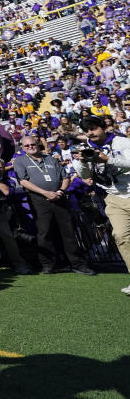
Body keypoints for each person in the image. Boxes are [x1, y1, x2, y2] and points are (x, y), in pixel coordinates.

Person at [12, 136, 94, 275]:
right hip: (38, 199)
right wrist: (45, 193)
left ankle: (77, 264)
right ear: (22, 147)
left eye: (33, 144)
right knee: (44, 233)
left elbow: (66, 178)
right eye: (27, 146)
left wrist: (60, 191)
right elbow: (23, 181)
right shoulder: (20, 161)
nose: (31, 146)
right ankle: (48, 265)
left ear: (38, 144)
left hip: (59, 197)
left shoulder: (50, 158)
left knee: (68, 231)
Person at [72, 115, 130, 294]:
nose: (90, 132)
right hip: (113, 197)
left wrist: (107, 160)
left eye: (94, 128)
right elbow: (85, 175)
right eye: (86, 130)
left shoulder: (122, 142)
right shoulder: (87, 148)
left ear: (104, 128)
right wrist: (82, 161)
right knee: (121, 236)